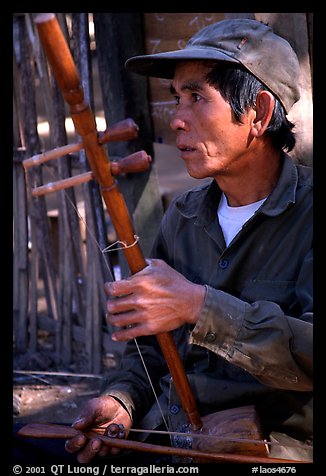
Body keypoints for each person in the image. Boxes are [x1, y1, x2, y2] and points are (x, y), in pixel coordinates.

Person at [64, 18, 313, 463]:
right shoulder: (183, 217)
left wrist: (199, 305)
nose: (176, 119)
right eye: (176, 98)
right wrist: (122, 400)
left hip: (268, 454)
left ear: (257, 112)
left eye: (197, 98)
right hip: (172, 439)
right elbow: (150, 353)